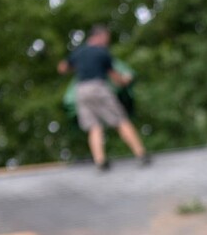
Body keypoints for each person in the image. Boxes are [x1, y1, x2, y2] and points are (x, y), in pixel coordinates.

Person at [57, 25, 150, 171]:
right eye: (106, 38)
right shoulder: (102, 53)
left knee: (93, 126)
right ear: (100, 36)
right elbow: (115, 77)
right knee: (120, 120)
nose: (107, 42)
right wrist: (125, 80)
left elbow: (62, 68)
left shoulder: (79, 51)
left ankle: (100, 161)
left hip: (80, 91)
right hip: (98, 88)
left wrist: (77, 67)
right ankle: (141, 154)